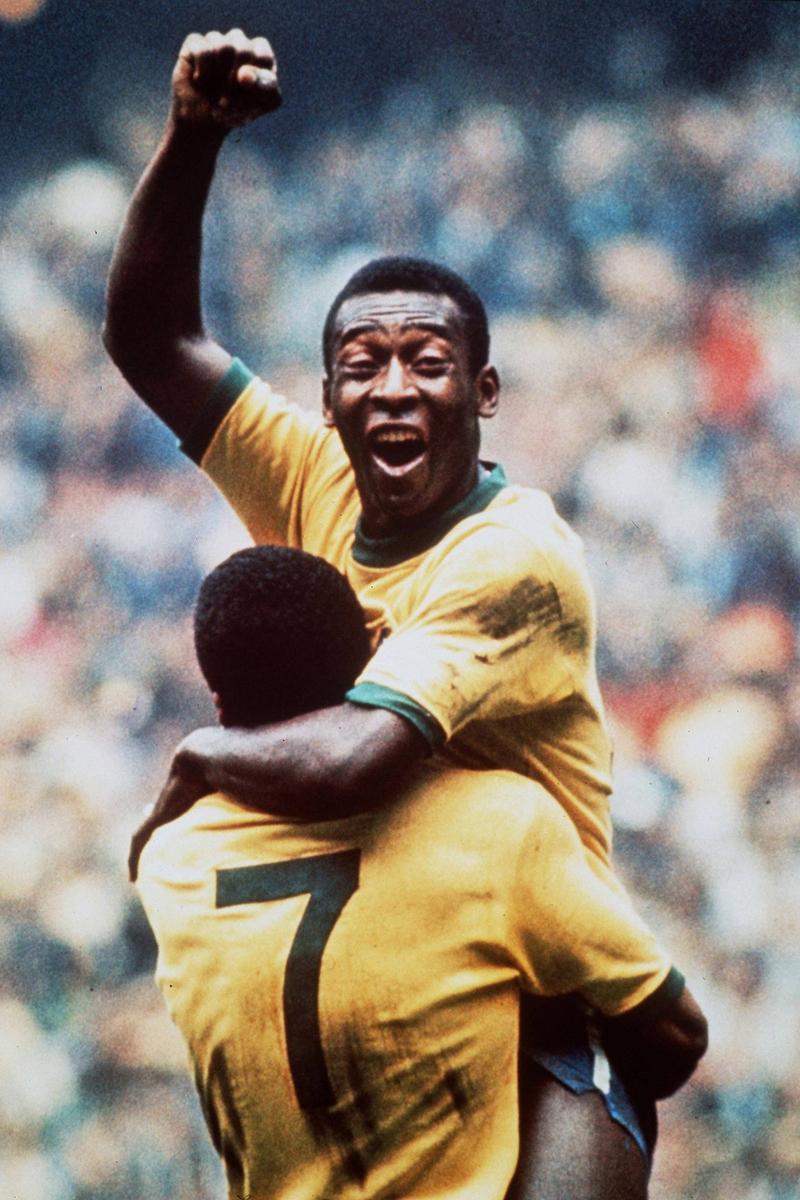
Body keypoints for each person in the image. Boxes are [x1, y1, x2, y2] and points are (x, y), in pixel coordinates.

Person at [104, 28, 696, 1193]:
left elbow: (358, 762)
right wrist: (189, 140)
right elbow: (150, 338)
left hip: (532, 987)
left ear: (481, 394)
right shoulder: (312, 473)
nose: (391, 387)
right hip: (388, 959)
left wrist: (202, 752)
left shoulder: (511, 557)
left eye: (425, 363)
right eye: (361, 364)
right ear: (325, 397)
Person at [135, 543, 707, 1200]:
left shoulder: (168, 860)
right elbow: (678, 1037)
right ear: (373, 671)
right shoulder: (496, 820)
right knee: (584, 1035)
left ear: (220, 706)